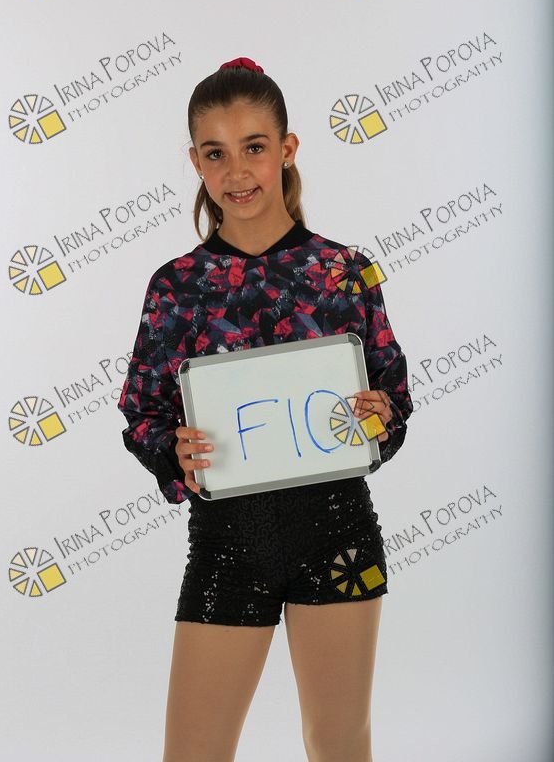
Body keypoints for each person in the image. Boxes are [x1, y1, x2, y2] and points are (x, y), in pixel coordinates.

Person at [117, 56, 412, 762]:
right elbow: (143, 411)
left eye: (253, 146)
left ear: (287, 148)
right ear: (196, 162)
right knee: (193, 751)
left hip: (337, 533)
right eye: (215, 153)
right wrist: (173, 450)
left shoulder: (345, 271)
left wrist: (378, 416)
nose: (236, 171)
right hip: (227, 541)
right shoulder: (176, 286)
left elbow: (392, 396)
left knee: (339, 743)